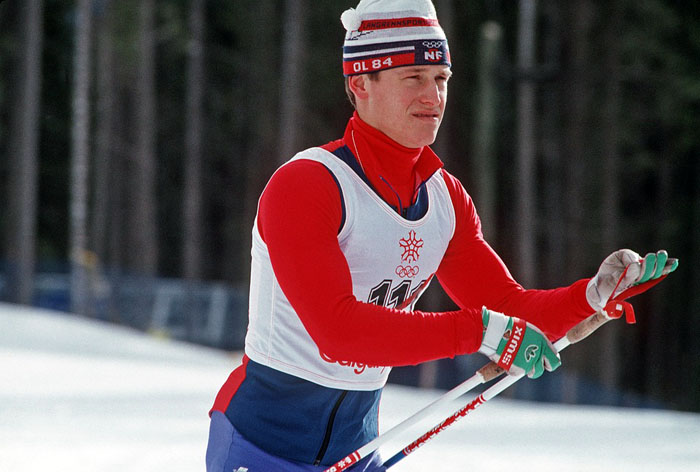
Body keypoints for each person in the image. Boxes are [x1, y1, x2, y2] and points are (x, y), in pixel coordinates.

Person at [206, 1, 678, 471]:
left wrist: (591, 296)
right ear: (359, 83)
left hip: (358, 450)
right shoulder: (307, 184)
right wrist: (480, 330)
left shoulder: (445, 199)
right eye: (413, 77)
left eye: (441, 79)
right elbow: (338, 333)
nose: (433, 98)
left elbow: (511, 311)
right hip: (260, 444)